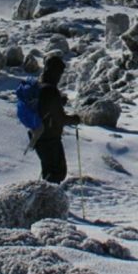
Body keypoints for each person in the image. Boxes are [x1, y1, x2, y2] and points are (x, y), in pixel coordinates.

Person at [32, 55, 80, 183]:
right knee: (56, 173)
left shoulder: (39, 86)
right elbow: (59, 118)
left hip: (38, 136)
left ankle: (45, 199)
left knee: (49, 172)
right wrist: (74, 119)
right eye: (59, 72)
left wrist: (59, 102)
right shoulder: (50, 90)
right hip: (50, 138)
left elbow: (45, 109)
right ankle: (48, 200)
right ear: (54, 71)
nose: (60, 76)